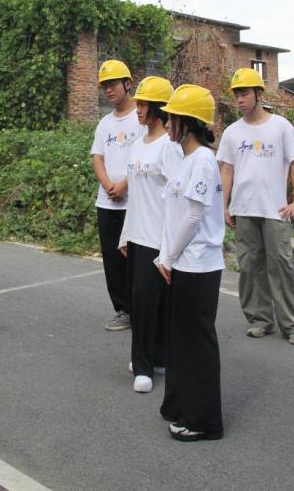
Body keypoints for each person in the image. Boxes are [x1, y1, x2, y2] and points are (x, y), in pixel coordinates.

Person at [217, 68, 294, 345]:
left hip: (275, 210)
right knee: (250, 266)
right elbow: (226, 171)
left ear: (259, 94)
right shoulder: (232, 132)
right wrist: (224, 206)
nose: (240, 100)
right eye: (237, 95)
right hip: (244, 209)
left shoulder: (280, 126)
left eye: (244, 93)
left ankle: (292, 326)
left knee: (281, 264)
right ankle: (260, 320)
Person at [155, 84, 225, 442]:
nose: (167, 123)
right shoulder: (186, 161)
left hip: (198, 265)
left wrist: (168, 255)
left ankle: (204, 420)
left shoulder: (203, 161)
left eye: (172, 117)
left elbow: (194, 217)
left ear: (189, 122)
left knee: (197, 345)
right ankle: (181, 407)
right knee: (180, 343)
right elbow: (174, 214)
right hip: (183, 263)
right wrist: (165, 255)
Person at [117, 76, 183, 393]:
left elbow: (177, 198)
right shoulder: (135, 147)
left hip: (161, 239)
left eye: (143, 105)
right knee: (140, 303)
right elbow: (135, 197)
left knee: (158, 305)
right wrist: (125, 234)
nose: (138, 110)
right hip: (138, 237)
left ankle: (153, 360)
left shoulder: (169, 148)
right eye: (138, 103)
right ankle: (141, 363)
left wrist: (171, 245)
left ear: (158, 109)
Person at [91, 59, 144, 331]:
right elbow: (97, 157)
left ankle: (141, 310)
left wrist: (124, 185)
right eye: (104, 86)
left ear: (127, 83)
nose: (108, 90)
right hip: (107, 201)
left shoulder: (142, 118)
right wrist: (108, 184)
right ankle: (123, 310)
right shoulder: (104, 124)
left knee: (136, 259)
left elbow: (147, 155)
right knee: (112, 259)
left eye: (112, 84)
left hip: (135, 202)